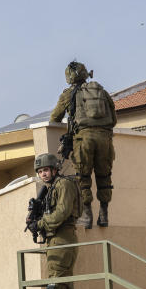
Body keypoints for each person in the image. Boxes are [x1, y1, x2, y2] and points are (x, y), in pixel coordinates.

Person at [28, 153, 93, 289]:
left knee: (54, 286)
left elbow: (62, 212)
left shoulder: (63, 185)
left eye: (46, 170)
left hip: (61, 239)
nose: (43, 174)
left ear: (55, 169)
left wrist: (40, 223)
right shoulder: (52, 188)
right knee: (64, 288)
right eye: (40, 172)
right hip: (57, 240)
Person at [50, 61, 117, 229]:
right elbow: (114, 119)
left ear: (69, 78)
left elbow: (55, 118)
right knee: (104, 177)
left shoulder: (68, 94)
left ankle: (87, 216)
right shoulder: (100, 91)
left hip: (83, 140)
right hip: (105, 139)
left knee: (83, 177)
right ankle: (104, 214)